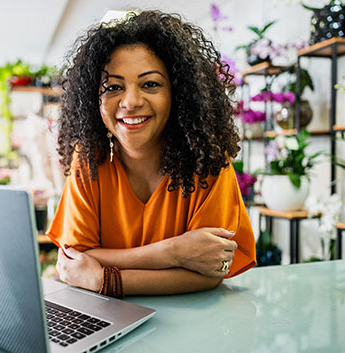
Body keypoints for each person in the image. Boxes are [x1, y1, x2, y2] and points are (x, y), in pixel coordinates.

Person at [46, 10, 256, 297]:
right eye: (113, 87)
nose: (131, 101)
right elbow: (73, 260)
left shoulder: (207, 161)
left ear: (178, 93)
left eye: (150, 84)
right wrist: (174, 252)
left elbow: (211, 270)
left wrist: (105, 279)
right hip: (107, 324)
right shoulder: (88, 162)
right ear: (94, 99)